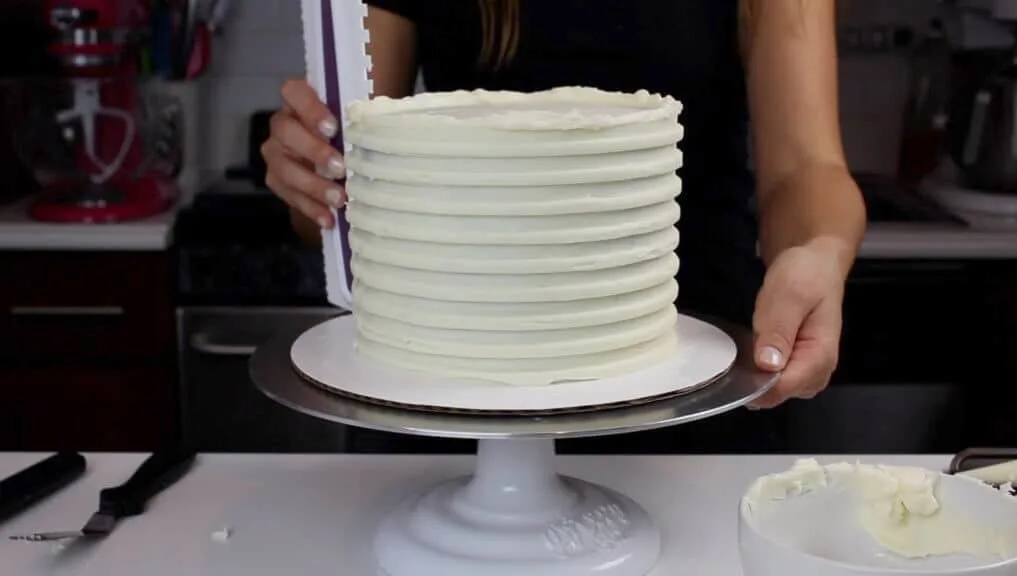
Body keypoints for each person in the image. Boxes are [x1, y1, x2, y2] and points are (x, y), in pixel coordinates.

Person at [261, 0, 866, 452]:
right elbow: (349, 186)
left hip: (688, 386)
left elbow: (807, 168)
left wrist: (820, 251)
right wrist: (310, 175)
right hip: (447, 386)